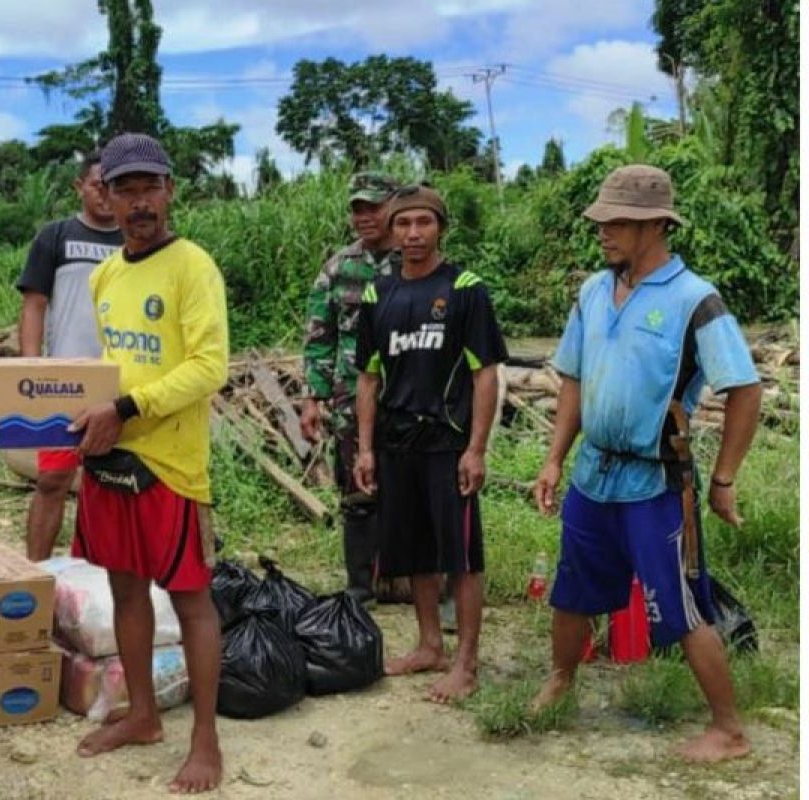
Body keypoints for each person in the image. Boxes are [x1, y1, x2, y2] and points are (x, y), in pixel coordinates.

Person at [530, 165, 761, 762]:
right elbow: (574, 381)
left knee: (679, 605)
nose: (604, 232)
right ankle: (561, 680)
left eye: (619, 222)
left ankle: (728, 730)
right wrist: (555, 459)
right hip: (593, 475)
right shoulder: (592, 291)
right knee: (571, 590)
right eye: (601, 221)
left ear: (657, 223)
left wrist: (724, 478)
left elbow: (745, 388)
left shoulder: (694, 299)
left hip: (654, 480)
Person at [68, 132, 227, 794]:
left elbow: (209, 367)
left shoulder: (193, 267)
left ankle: (206, 740)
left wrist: (128, 408)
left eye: (149, 187)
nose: (138, 202)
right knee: (125, 588)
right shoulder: (107, 275)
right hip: (113, 460)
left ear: (170, 190)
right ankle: (143, 715)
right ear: (105, 194)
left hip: (170, 466)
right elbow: (115, 368)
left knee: (191, 600)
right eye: (124, 189)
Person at [353, 185, 508, 703]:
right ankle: (428, 645)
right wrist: (366, 448)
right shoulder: (378, 293)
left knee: (461, 555)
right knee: (416, 548)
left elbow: (486, 375)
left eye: (424, 223)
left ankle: (465, 661)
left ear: (440, 227)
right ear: (392, 230)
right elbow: (369, 378)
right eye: (403, 224)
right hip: (397, 444)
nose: (413, 234)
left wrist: (477, 448)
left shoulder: (465, 289)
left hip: (448, 442)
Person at [300, 171, 401, 604]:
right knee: (357, 489)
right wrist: (312, 397)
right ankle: (361, 585)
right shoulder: (339, 267)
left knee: (411, 486)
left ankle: (415, 581)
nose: (364, 216)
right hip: (348, 394)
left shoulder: (413, 258)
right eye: (357, 208)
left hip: (406, 392)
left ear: (393, 207)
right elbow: (320, 336)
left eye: (373, 207)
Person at [17, 151, 123, 560]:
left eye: (113, 185)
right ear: (80, 187)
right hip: (64, 380)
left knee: (114, 484)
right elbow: (34, 305)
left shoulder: (134, 241)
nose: (105, 194)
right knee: (52, 480)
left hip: (118, 384)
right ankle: (35, 570)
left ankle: (97, 580)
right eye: (98, 184)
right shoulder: (55, 236)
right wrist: (31, 368)